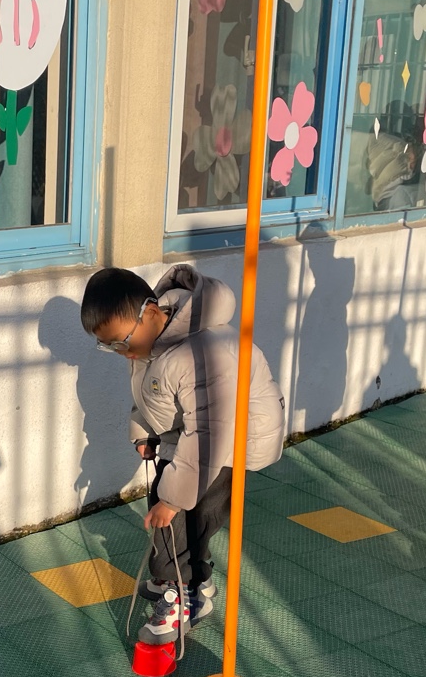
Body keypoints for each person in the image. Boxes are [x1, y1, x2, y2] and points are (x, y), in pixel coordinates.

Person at [80, 265, 284, 646]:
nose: (121, 352)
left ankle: (185, 595)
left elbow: (209, 432)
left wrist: (173, 500)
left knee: (182, 519)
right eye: (108, 346)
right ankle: (191, 582)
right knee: (169, 508)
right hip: (193, 438)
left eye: (120, 342)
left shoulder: (202, 352)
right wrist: (144, 431)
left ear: (151, 313)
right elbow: (152, 395)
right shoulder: (149, 344)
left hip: (229, 443)